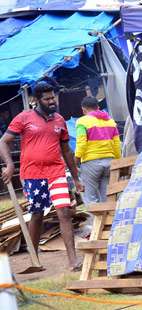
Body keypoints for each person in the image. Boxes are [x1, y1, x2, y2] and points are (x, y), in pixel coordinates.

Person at [0, 81, 83, 270]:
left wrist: (76, 178)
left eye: (53, 97)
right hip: (32, 175)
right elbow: (3, 142)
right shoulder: (24, 118)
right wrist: (10, 165)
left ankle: (73, 261)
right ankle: (34, 260)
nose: (52, 101)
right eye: (47, 98)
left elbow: (66, 151)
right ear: (36, 100)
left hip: (56, 172)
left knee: (64, 212)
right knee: (36, 215)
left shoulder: (60, 120)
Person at [75, 96, 121, 204]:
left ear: (83, 109)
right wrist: (118, 162)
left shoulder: (82, 122)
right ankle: (109, 220)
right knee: (107, 198)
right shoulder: (110, 122)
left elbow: (81, 143)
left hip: (91, 163)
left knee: (91, 199)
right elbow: (116, 145)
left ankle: (95, 221)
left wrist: (76, 159)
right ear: (98, 107)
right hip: (109, 163)